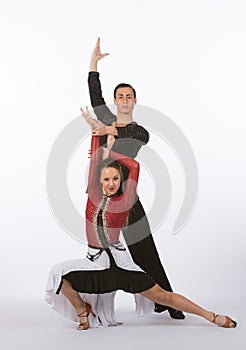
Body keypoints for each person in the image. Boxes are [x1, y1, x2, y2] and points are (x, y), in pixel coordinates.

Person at [45, 119, 237, 331]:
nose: (110, 183)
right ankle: (84, 312)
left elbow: (134, 165)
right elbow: (95, 159)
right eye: (106, 179)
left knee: (162, 296)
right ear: (98, 181)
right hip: (97, 265)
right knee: (58, 276)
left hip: (122, 264)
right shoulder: (93, 194)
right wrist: (96, 135)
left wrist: (111, 152)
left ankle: (211, 316)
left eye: (115, 179)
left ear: (121, 181)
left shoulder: (124, 200)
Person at [87, 37, 184, 319]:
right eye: (121, 97)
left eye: (129, 96)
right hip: (100, 202)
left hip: (128, 202)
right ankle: (95, 308)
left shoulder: (138, 131)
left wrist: (109, 130)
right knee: (100, 256)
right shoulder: (106, 120)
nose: (125, 100)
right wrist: (93, 65)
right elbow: (95, 97)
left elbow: (135, 136)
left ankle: (167, 301)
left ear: (135, 101)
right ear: (116, 101)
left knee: (145, 252)